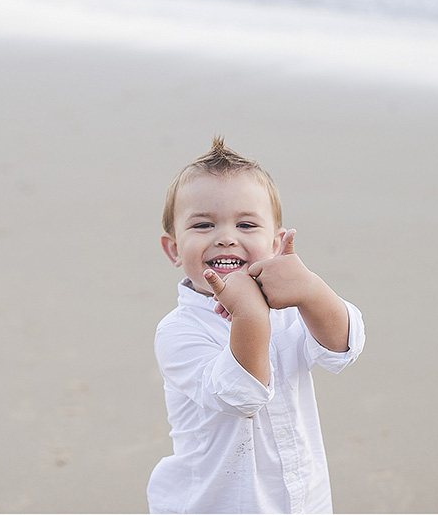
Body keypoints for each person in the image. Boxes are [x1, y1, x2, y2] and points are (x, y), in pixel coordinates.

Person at [147, 136, 365, 514]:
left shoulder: (290, 307)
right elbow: (240, 397)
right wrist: (249, 317)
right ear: (174, 250)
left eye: (247, 224)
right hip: (219, 504)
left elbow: (342, 349)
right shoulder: (178, 331)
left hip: (302, 499)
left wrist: (312, 290)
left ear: (278, 244)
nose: (226, 238)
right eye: (203, 225)